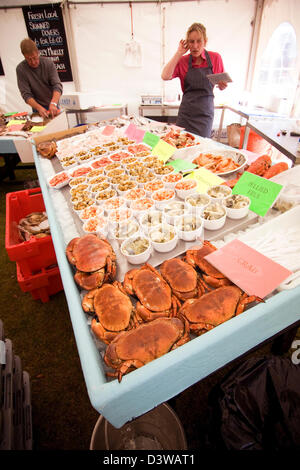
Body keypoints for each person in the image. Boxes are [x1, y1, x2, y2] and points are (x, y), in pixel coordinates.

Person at [161, 23, 228, 138]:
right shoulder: (183, 60)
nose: (195, 46)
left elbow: (221, 83)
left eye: (199, 41)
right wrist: (179, 53)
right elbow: (165, 76)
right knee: (181, 144)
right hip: (186, 114)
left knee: (201, 147)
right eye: (191, 41)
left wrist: (222, 85)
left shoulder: (215, 58)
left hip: (205, 115)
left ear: (205, 41)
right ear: (187, 43)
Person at [16, 38, 63, 119]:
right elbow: (26, 94)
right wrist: (38, 107)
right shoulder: (21, 69)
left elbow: (57, 86)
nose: (33, 62)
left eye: (34, 57)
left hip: (53, 105)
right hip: (37, 108)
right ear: (24, 56)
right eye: (29, 59)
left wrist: (54, 103)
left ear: (38, 52)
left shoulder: (48, 63)